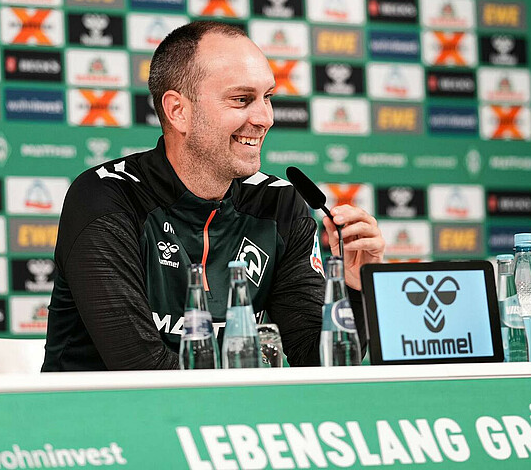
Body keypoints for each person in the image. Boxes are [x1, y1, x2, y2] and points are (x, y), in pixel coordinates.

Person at [42, 21, 384, 371]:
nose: (264, 118)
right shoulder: (106, 198)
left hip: (223, 421)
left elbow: (318, 364)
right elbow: (143, 372)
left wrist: (355, 291)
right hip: (98, 421)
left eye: (267, 97)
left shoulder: (280, 204)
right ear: (178, 111)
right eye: (241, 99)